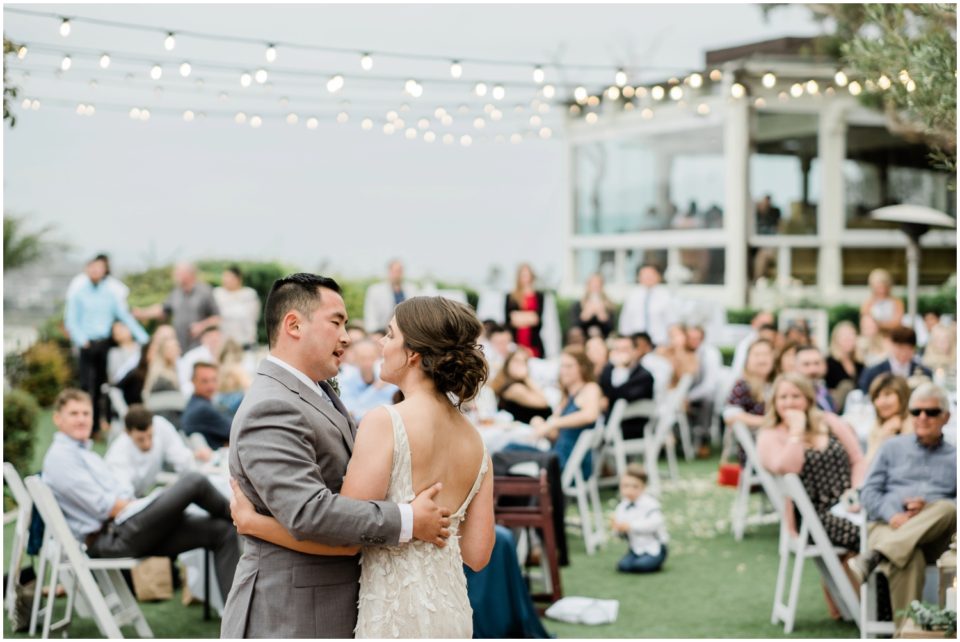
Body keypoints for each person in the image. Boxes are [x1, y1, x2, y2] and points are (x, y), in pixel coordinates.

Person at [220, 275, 457, 638]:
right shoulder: (271, 405)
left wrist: (255, 523)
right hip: (292, 612)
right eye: (337, 322)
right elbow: (308, 512)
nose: (347, 336)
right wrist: (408, 520)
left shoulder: (315, 392)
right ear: (294, 325)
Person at [42, 389, 240, 597]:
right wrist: (151, 506)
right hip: (111, 538)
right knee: (194, 482)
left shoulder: (84, 454)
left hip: (127, 527)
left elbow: (120, 495)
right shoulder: (61, 458)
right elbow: (106, 507)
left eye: (86, 414)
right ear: (57, 418)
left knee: (221, 531)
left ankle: (236, 623)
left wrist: (151, 506)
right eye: (74, 414)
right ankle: (245, 519)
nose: (82, 419)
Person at [850, 383, 956, 631]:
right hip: (888, 526)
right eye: (916, 411)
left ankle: (876, 556)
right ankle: (905, 635)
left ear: (946, 417)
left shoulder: (955, 456)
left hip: (935, 536)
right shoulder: (891, 447)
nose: (922, 418)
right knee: (909, 558)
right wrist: (893, 514)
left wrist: (929, 508)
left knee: (948, 509)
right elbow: (868, 492)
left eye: (931, 412)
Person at [757, 373, 867, 553]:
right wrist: (796, 431)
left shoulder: (829, 421)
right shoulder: (769, 435)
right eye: (783, 397)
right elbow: (789, 468)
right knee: (868, 536)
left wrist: (856, 492)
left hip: (849, 503)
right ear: (774, 402)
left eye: (796, 396)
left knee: (883, 528)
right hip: (812, 517)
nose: (789, 402)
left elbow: (857, 460)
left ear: (807, 399)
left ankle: (866, 577)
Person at [65, 255, 149, 435]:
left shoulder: (110, 294)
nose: (95, 271)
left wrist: (142, 336)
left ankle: (105, 422)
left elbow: (124, 315)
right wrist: (82, 340)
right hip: (87, 344)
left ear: (104, 270)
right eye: (92, 267)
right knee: (87, 386)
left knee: (105, 386)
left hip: (104, 345)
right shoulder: (78, 294)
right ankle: (90, 427)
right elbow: (71, 320)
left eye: (99, 267)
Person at [105, 403, 211, 497]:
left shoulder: (161, 426)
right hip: (121, 501)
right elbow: (124, 495)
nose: (147, 443)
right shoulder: (117, 455)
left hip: (142, 495)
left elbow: (182, 459)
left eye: (150, 436)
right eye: (140, 439)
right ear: (127, 433)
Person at [529, 346, 602, 475]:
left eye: (569, 366)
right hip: (557, 456)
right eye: (562, 366)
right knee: (509, 450)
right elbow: (555, 435)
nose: (564, 371)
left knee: (506, 455)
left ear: (582, 367)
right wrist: (540, 424)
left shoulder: (590, 388)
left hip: (571, 463)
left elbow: (590, 415)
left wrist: (554, 423)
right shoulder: (565, 397)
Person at [133, 262, 220, 351]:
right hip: (180, 345)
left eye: (177, 273)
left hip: (200, 345)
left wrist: (201, 326)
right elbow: (163, 310)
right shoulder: (176, 292)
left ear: (188, 274)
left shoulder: (205, 291)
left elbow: (217, 318)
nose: (174, 275)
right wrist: (143, 313)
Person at [611, 464, 668, 574]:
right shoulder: (622, 507)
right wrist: (617, 529)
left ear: (643, 487)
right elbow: (619, 533)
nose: (630, 490)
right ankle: (637, 560)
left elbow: (655, 523)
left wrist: (631, 526)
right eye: (625, 486)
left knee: (641, 566)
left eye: (635, 486)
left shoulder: (650, 504)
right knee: (623, 566)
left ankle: (654, 561)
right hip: (636, 548)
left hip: (654, 548)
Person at [598, 333, 655, 439]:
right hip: (607, 421)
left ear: (635, 351)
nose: (620, 353)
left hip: (631, 427)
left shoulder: (644, 376)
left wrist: (620, 369)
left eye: (625, 349)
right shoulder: (608, 370)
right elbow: (601, 388)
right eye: (617, 349)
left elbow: (621, 397)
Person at [338, 338, 399, 421]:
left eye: (371, 358)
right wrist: (375, 388)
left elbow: (396, 408)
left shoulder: (387, 377)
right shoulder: (345, 380)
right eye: (363, 358)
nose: (368, 363)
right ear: (354, 359)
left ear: (377, 357)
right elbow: (351, 413)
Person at [858, 327, 932, 393]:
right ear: (892, 345)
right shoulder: (874, 372)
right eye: (900, 348)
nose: (904, 353)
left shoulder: (924, 372)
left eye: (909, 349)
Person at [686, 325, 723, 457]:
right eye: (690, 338)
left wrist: (689, 398)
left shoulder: (710, 353)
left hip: (705, 396)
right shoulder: (685, 353)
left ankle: (704, 441)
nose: (693, 341)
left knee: (706, 402)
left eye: (696, 338)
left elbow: (709, 385)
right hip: (687, 395)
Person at [488, 348, 552, 424]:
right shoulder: (515, 388)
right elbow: (544, 402)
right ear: (508, 364)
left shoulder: (518, 384)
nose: (520, 366)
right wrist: (526, 377)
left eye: (524, 362)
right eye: (516, 361)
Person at [723, 338, 775, 432]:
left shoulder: (778, 383)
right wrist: (766, 422)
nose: (762, 359)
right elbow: (730, 414)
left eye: (766, 354)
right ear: (747, 359)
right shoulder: (743, 385)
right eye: (757, 355)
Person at [180, 362, 233, 449]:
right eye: (204, 381)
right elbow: (236, 431)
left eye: (214, 380)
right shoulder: (202, 409)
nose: (210, 385)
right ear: (193, 381)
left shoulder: (195, 403)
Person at [618, 264, 673, 347]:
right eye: (644, 275)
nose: (647, 278)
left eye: (650, 275)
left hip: (660, 343)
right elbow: (625, 321)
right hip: (636, 344)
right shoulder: (632, 296)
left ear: (658, 277)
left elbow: (672, 323)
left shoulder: (666, 297)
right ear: (639, 277)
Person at [864, 374, 913, 466]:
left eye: (887, 395)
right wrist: (883, 436)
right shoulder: (877, 427)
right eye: (876, 397)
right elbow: (868, 466)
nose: (881, 402)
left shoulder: (914, 425)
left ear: (902, 396)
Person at [212, 265, 261, 350]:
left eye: (229, 277)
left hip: (246, 343)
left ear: (238, 279)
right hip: (224, 345)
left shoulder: (249, 294)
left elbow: (252, 317)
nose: (225, 280)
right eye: (224, 277)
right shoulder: (217, 293)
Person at [504, 263, 546, 359]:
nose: (526, 278)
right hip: (516, 341)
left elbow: (537, 319)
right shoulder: (510, 296)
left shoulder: (539, 296)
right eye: (523, 275)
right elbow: (510, 320)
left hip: (534, 342)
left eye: (528, 275)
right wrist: (529, 317)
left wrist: (519, 317)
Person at [363, 259, 417, 333]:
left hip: (406, 331)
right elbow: (370, 315)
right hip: (382, 331)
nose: (397, 274)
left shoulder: (412, 289)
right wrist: (375, 333)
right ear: (389, 271)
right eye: (394, 271)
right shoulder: (375, 290)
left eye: (399, 271)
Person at [825, 321, 863, 413]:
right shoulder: (828, 362)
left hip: (857, 409)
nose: (849, 339)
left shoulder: (860, 364)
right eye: (845, 336)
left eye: (851, 335)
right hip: (837, 410)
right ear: (836, 339)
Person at [177, 325, 223, 397]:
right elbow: (184, 382)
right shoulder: (191, 357)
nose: (214, 341)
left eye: (217, 338)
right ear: (203, 339)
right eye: (211, 338)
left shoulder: (227, 355)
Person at [569, 273, 617, 339]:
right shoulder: (578, 305)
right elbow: (574, 327)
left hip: (603, 338)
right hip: (583, 338)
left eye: (598, 284)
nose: (595, 286)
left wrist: (603, 315)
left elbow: (611, 329)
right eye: (593, 284)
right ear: (587, 286)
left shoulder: (609, 306)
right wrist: (585, 315)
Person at [730, 310, 775, 378]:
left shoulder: (776, 342)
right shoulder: (746, 344)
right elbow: (738, 369)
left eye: (769, 324)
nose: (766, 327)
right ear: (753, 323)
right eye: (763, 323)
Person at [860, 268, 904, 333]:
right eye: (878, 287)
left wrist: (878, 324)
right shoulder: (868, 303)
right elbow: (866, 324)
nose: (881, 290)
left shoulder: (896, 302)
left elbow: (897, 323)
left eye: (883, 287)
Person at [796, 346, 836, 413]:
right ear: (796, 367)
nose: (813, 370)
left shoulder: (822, 386)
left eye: (817, 363)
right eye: (806, 364)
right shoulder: (794, 394)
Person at [106, 320, 142, 385]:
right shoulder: (113, 353)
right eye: (116, 331)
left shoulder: (141, 348)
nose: (119, 332)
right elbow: (113, 377)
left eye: (121, 328)